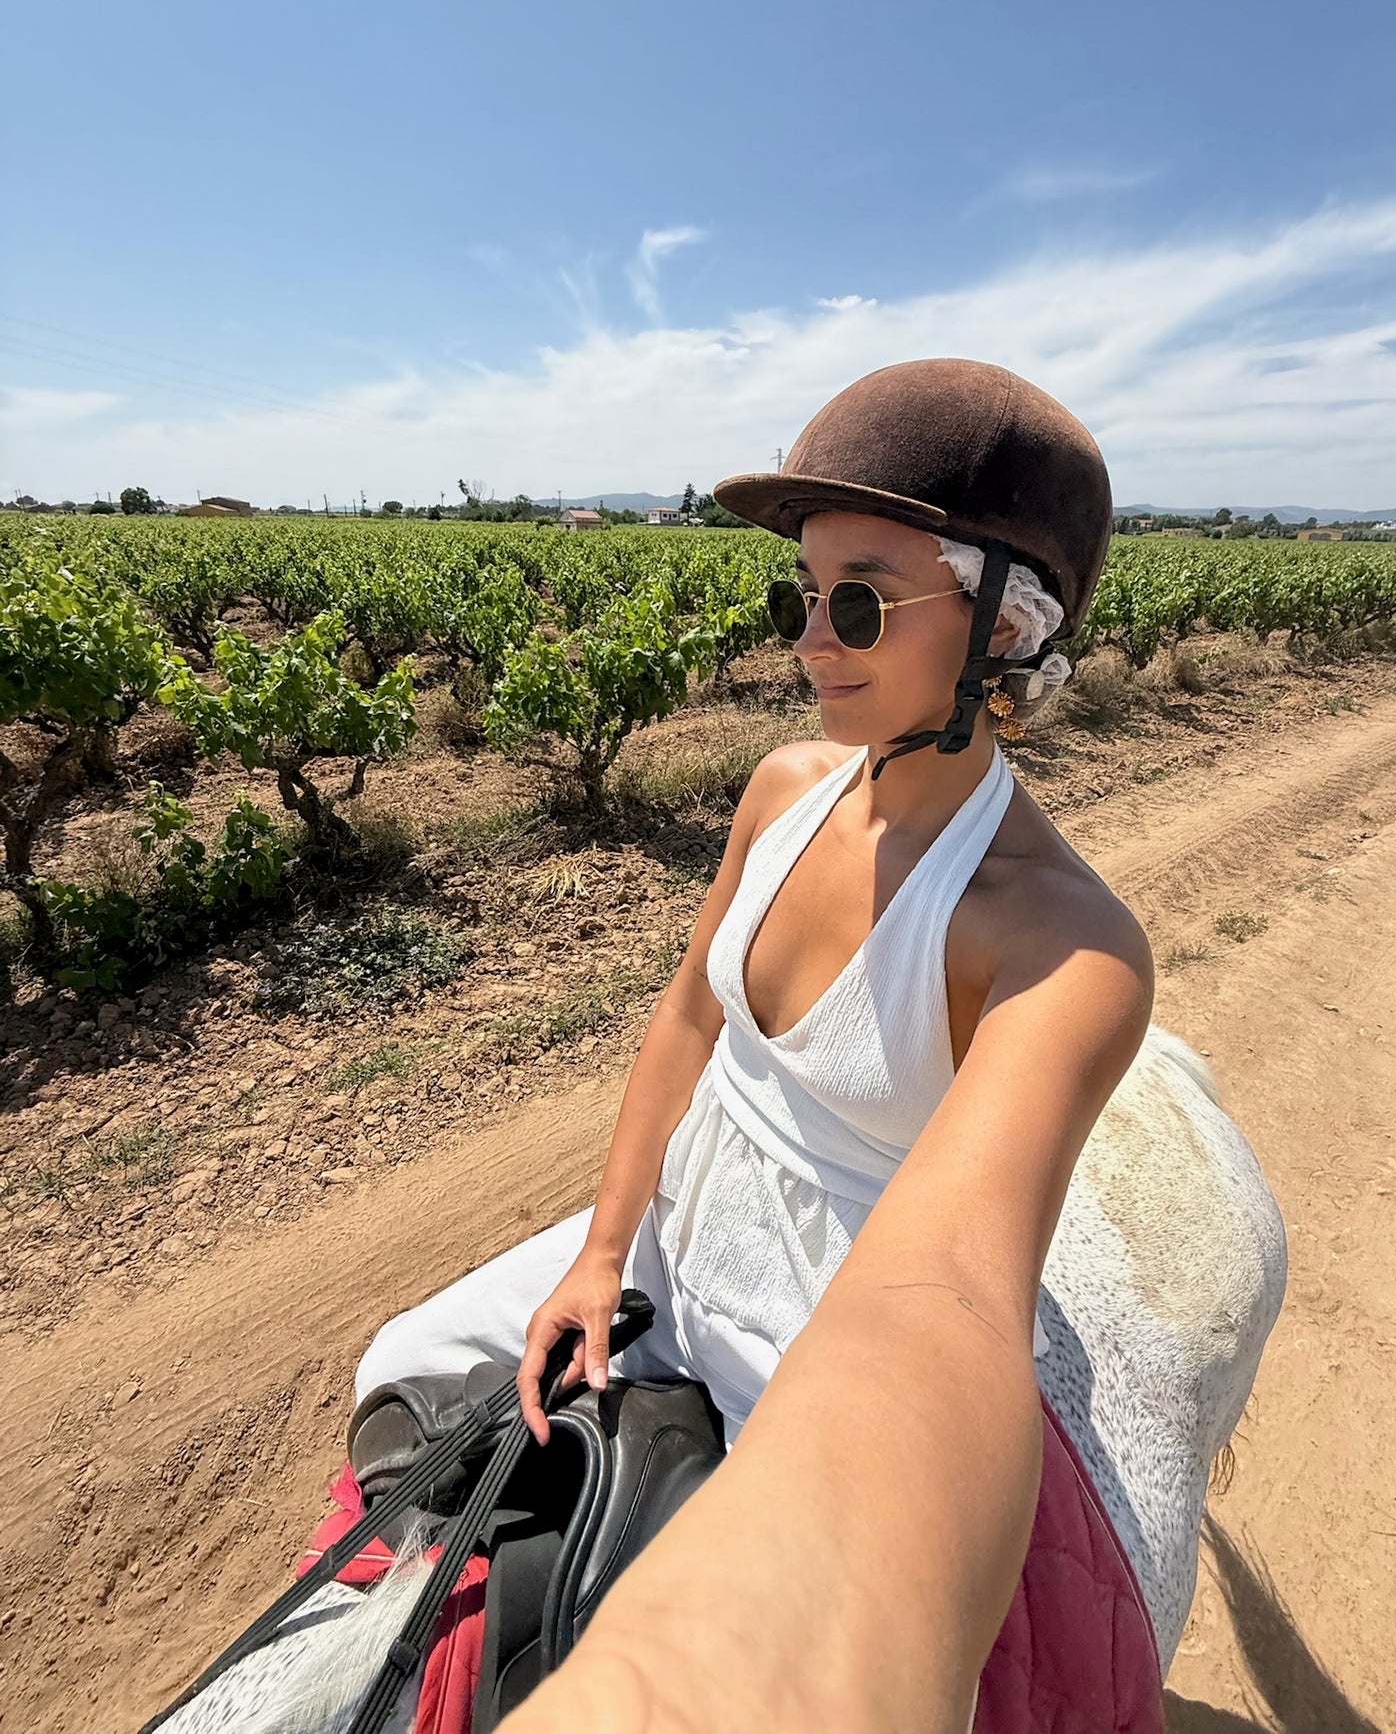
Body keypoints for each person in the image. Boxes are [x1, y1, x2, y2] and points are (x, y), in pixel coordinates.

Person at [354, 360, 1153, 1730]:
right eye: (800, 594)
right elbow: (687, 1016)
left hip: (830, 1314)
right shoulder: (787, 785)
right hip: (678, 1222)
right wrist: (604, 1251)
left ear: (1004, 627)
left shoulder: (1063, 950)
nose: (807, 640)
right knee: (399, 1371)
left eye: (858, 599)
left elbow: (954, 1291)